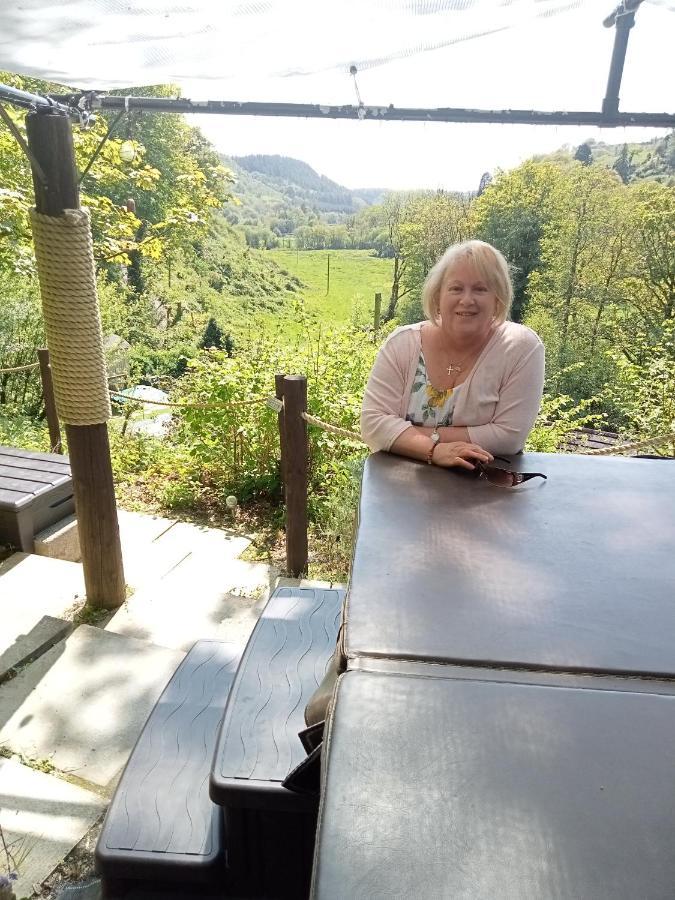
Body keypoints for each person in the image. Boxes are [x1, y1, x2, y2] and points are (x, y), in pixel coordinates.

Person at [361, 239, 545, 470]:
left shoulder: (520, 347)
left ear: (497, 299)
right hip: (400, 492)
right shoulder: (402, 344)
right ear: (437, 296)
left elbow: (509, 436)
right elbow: (372, 423)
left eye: (480, 289)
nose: (467, 300)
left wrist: (409, 436)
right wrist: (434, 451)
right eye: (456, 288)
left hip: (484, 493)